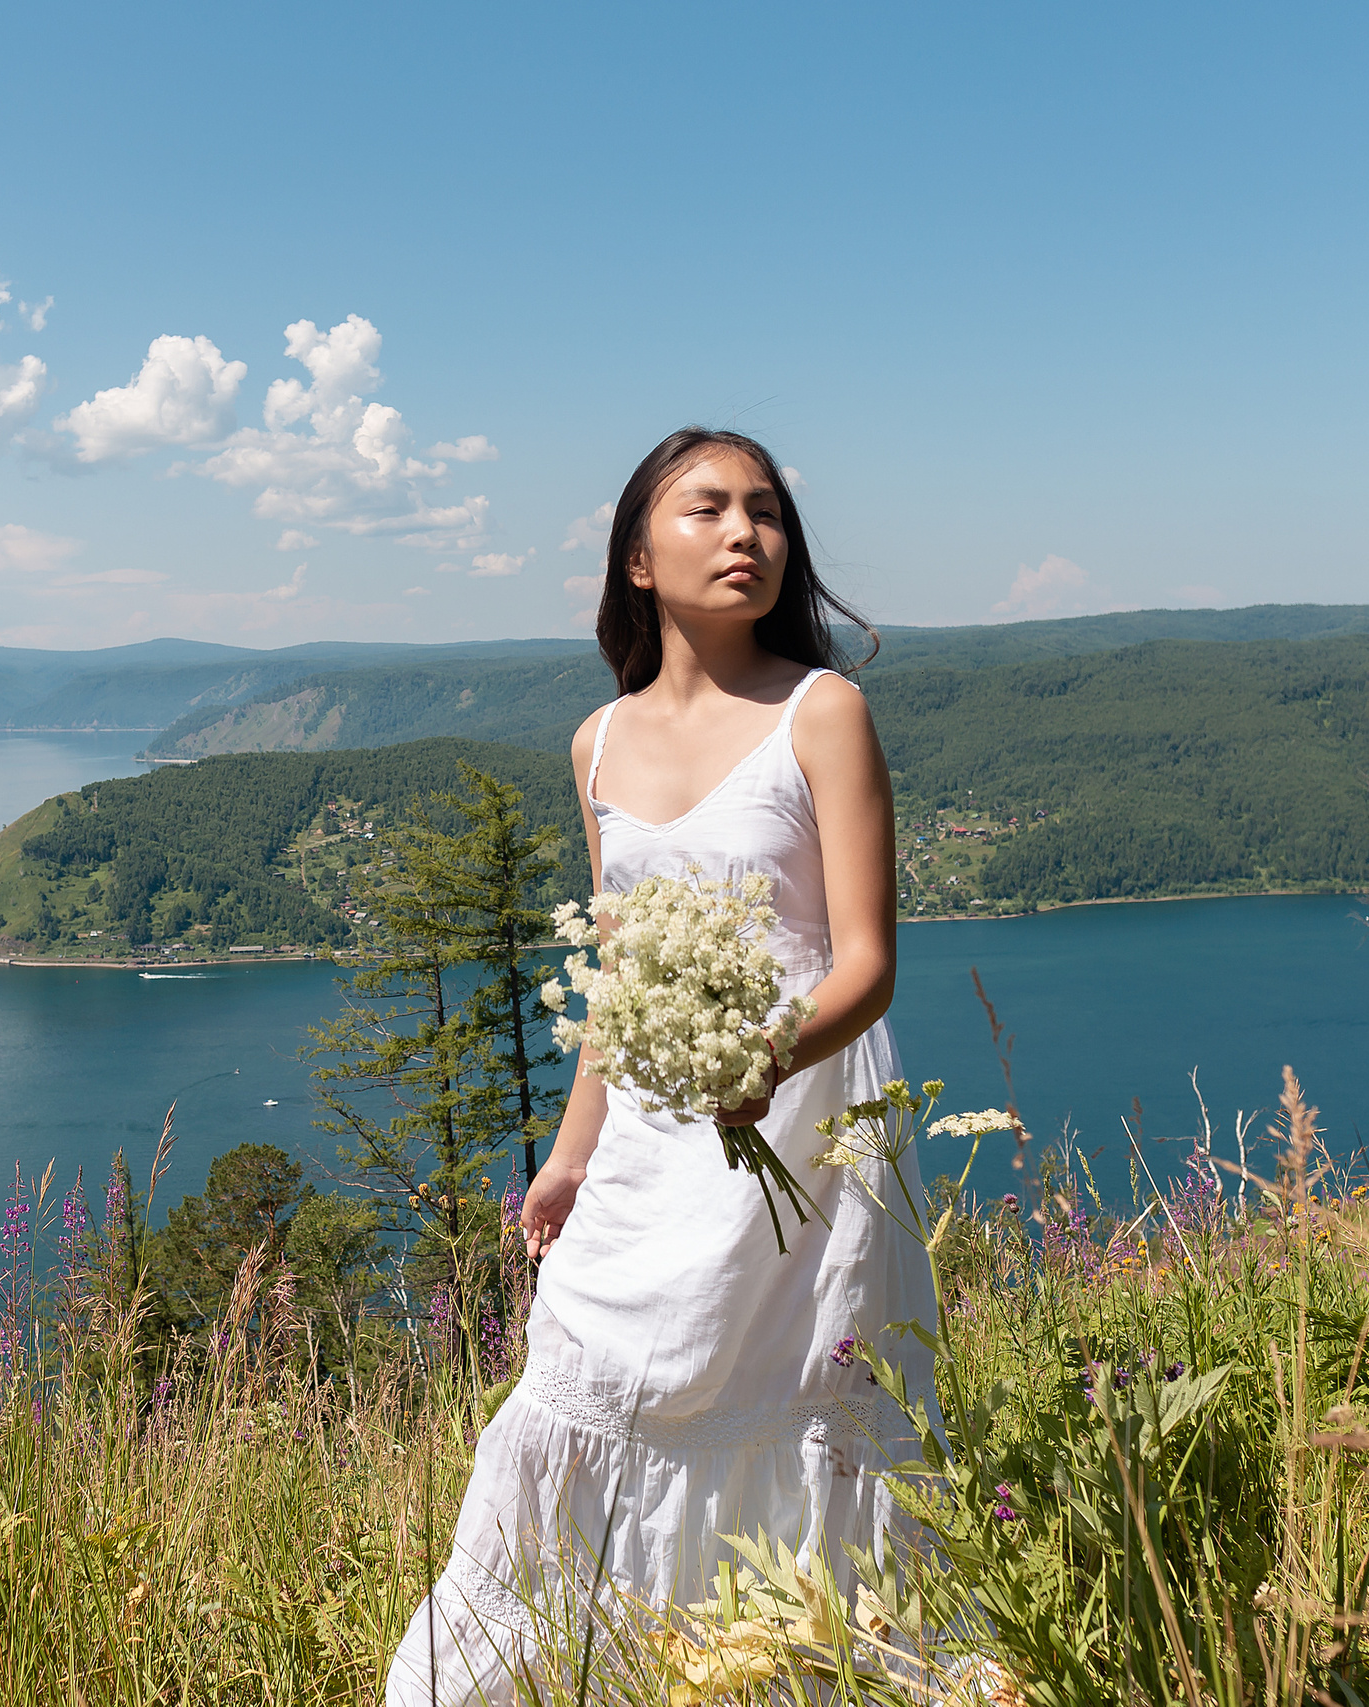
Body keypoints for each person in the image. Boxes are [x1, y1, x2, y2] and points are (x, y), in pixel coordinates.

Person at [385, 428, 937, 1704]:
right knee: (588, 1381)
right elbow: (621, 984)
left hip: (798, 1133)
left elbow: (866, 965)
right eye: (706, 510)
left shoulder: (822, 711)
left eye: (765, 512)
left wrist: (762, 1058)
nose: (745, 534)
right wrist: (569, 1161)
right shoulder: (596, 744)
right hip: (648, 1137)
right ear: (638, 558)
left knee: (790, 1405)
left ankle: (786, 1667)